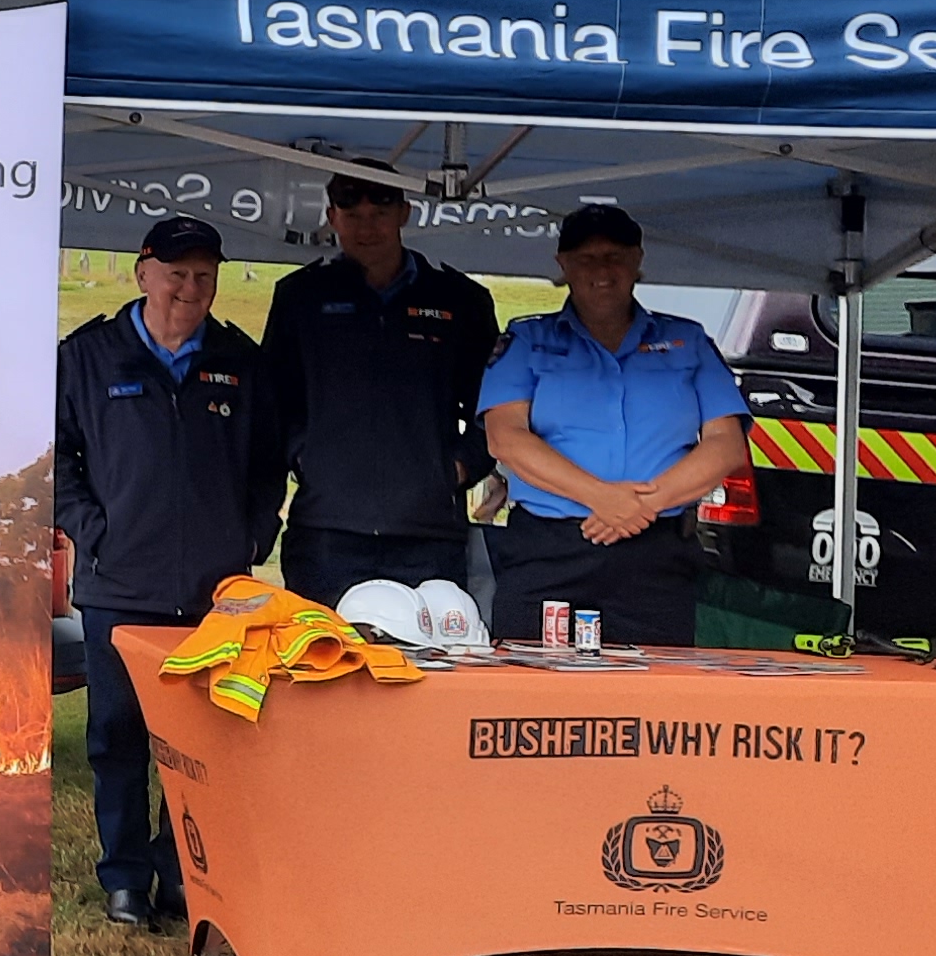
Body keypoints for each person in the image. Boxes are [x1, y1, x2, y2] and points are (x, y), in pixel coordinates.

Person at [53, 213, 287, 931]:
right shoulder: (87, 356)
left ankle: (178, 871)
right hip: (117, 584)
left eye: (205, 277)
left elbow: (267, 465)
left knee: (194, 744)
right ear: (143, 273)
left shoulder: (239, 359)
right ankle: (123, 878)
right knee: (117, 736)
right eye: (178, 274)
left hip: (212, 592)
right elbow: (56, 461)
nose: (191, 288)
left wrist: (250, 535)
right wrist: (96, 531)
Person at [477, 203, 750, 648]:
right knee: (533, 699)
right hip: (550, 554)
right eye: (586, 259)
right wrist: (601, 498)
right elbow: (505, 437)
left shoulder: (688, 340)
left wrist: (642, 506)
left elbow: (725, 444)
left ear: (637, 260)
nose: (602, 271)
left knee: (654, 701)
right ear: (562, 265)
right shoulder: (527, 339)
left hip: (654, 555)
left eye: (614, 256)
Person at [265, 170, 502, 607]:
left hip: (427, 534)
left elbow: (498, 406)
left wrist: (460, 468)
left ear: (404, 213)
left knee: (425, 672)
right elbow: (273, 401)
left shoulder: (458, 297)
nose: (366, 227)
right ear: (332, 217)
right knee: (321, 668)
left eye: (379, 213)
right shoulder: (301, 296)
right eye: (352, 214)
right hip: (327, 533)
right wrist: (305, 455)